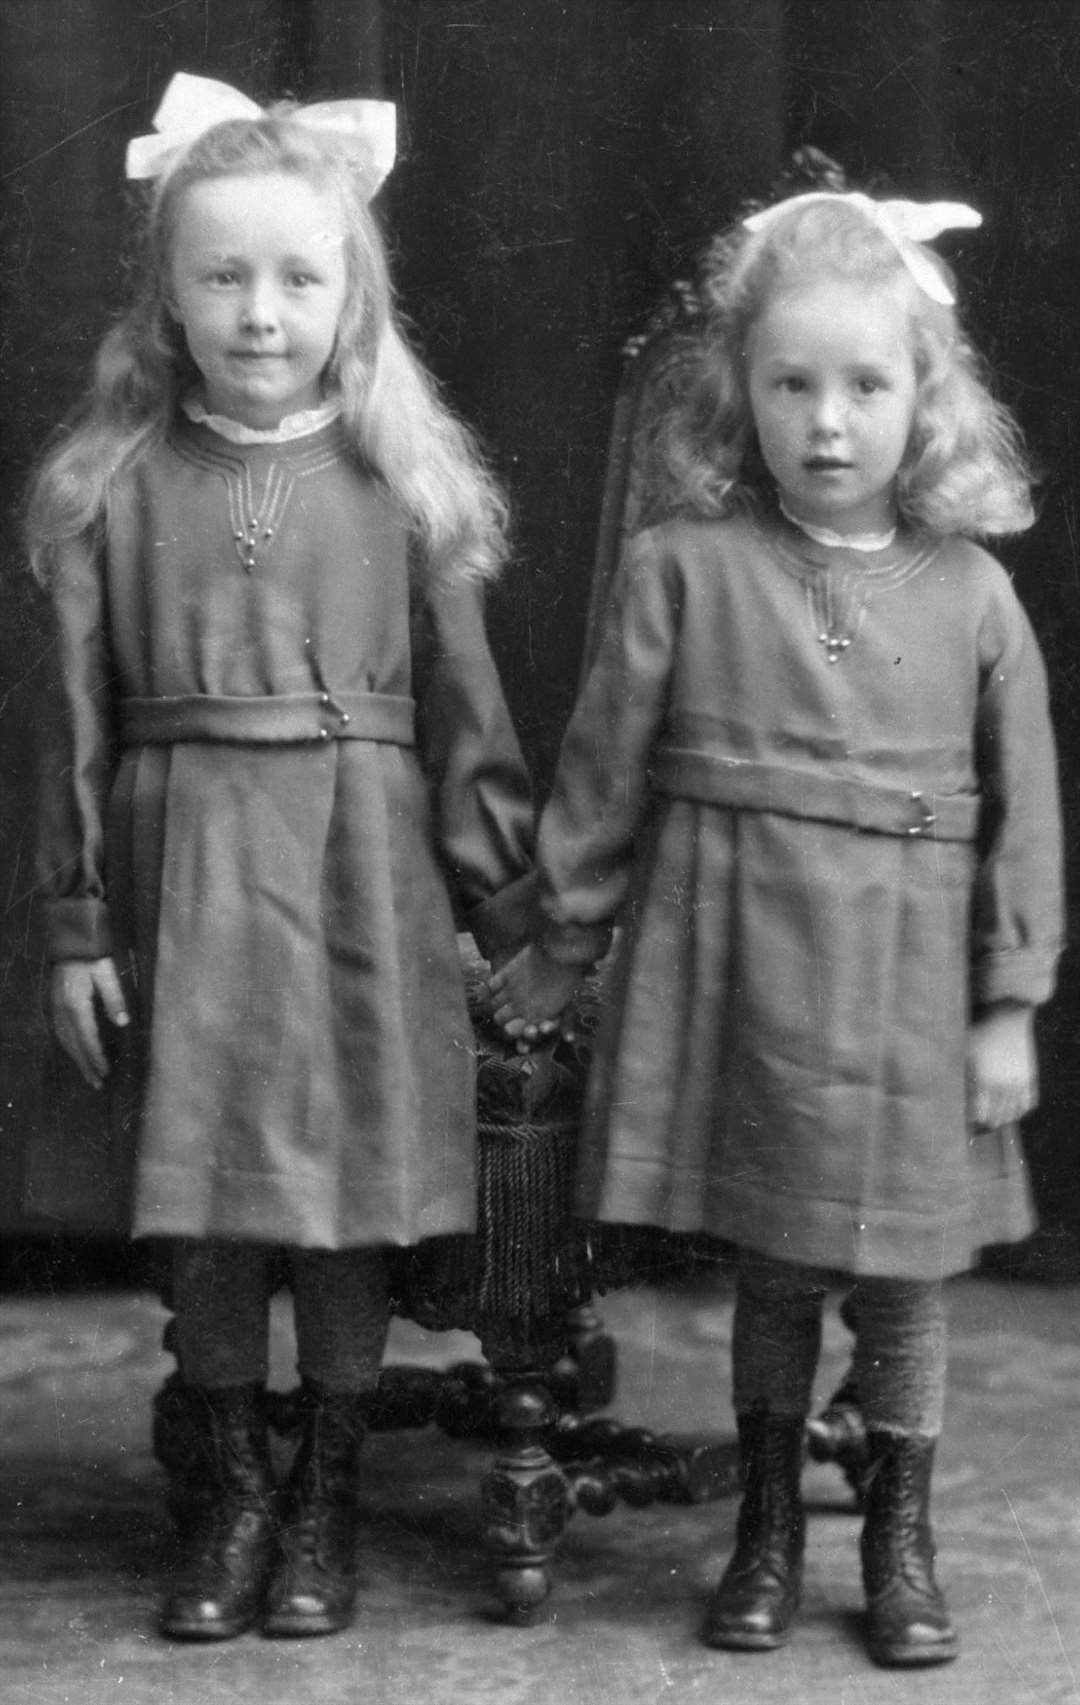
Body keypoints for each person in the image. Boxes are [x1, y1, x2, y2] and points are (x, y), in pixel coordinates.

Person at [492, 166, 1063, 1668]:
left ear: (924, 398)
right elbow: (604, 770)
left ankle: (899, 1535)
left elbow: (1028, 816)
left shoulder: (973, 597)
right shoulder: (684, 568)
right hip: (740, 973)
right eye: (790, 383)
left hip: (907, 985)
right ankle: (761, 1526)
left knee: (901, 1277)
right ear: (736, 392)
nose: (827, 422)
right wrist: (563, 936)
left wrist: (1008, 1002)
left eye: (865, 386)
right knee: (780, 1266)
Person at [29, 73, 534, 1643]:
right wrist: (72, 924)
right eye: (222, 277)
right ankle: (231, 1477)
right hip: (185, 871)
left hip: (361, 874)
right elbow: (68, 726)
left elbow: (468, 721)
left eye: (298, 278)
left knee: (342, 1196)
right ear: (166, 301)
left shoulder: (401, 488)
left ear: (351, 298)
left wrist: (504, 917)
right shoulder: (107, 491)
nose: (260, 313)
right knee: (217, 1199)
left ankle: (325, 1480)